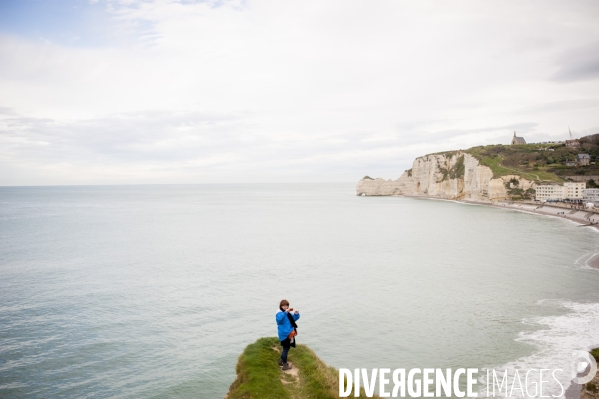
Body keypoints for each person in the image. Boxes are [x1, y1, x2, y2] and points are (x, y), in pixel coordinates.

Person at [276, 299, 300, 370]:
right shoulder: (279, 313)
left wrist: (296, 314)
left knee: (286, 348)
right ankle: (285, 365)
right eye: (284, 306)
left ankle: (281, 361)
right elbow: (279, 320)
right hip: (284, 334)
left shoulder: (287, 313)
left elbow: (293, 319)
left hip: (289, 333)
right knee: (286, 348)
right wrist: (285, 312)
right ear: (281, 306)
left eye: (287, 305)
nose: (286, 307)